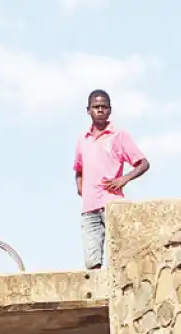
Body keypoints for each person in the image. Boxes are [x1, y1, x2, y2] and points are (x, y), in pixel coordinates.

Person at [73, 89, 150, 270]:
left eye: (104, 107)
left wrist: (124, 179)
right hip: (89, 209)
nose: (100, 110)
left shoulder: (118, 136)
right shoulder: (82, 140)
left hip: (112, 205)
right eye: (96, 107)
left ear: (110, 110)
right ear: (88, 110)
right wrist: (81, 188)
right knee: (92, 264)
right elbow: (78, 168)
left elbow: (143, 163)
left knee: (120, 260)